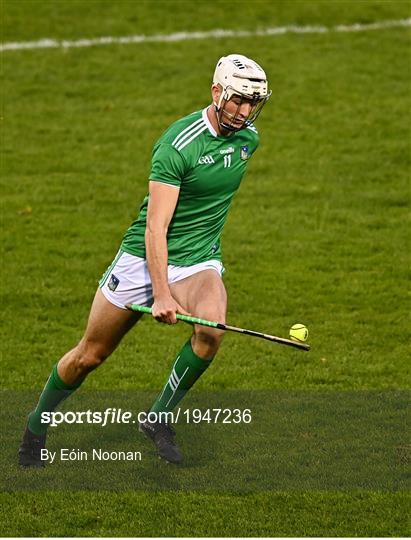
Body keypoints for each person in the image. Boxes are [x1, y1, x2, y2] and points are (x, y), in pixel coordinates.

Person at [18, 53, 271, 466]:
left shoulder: (248, 140)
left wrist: (181, 284)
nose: (244, 111)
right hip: (141, 258)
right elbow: (156, 228)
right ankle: (35, 425)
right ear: (216, 92)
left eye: (252, 102)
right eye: (238, 99)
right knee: (90, 356)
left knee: (213, 331)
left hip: (197, 259)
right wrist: (162, 294)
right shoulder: (177, 145)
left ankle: (157, 418)